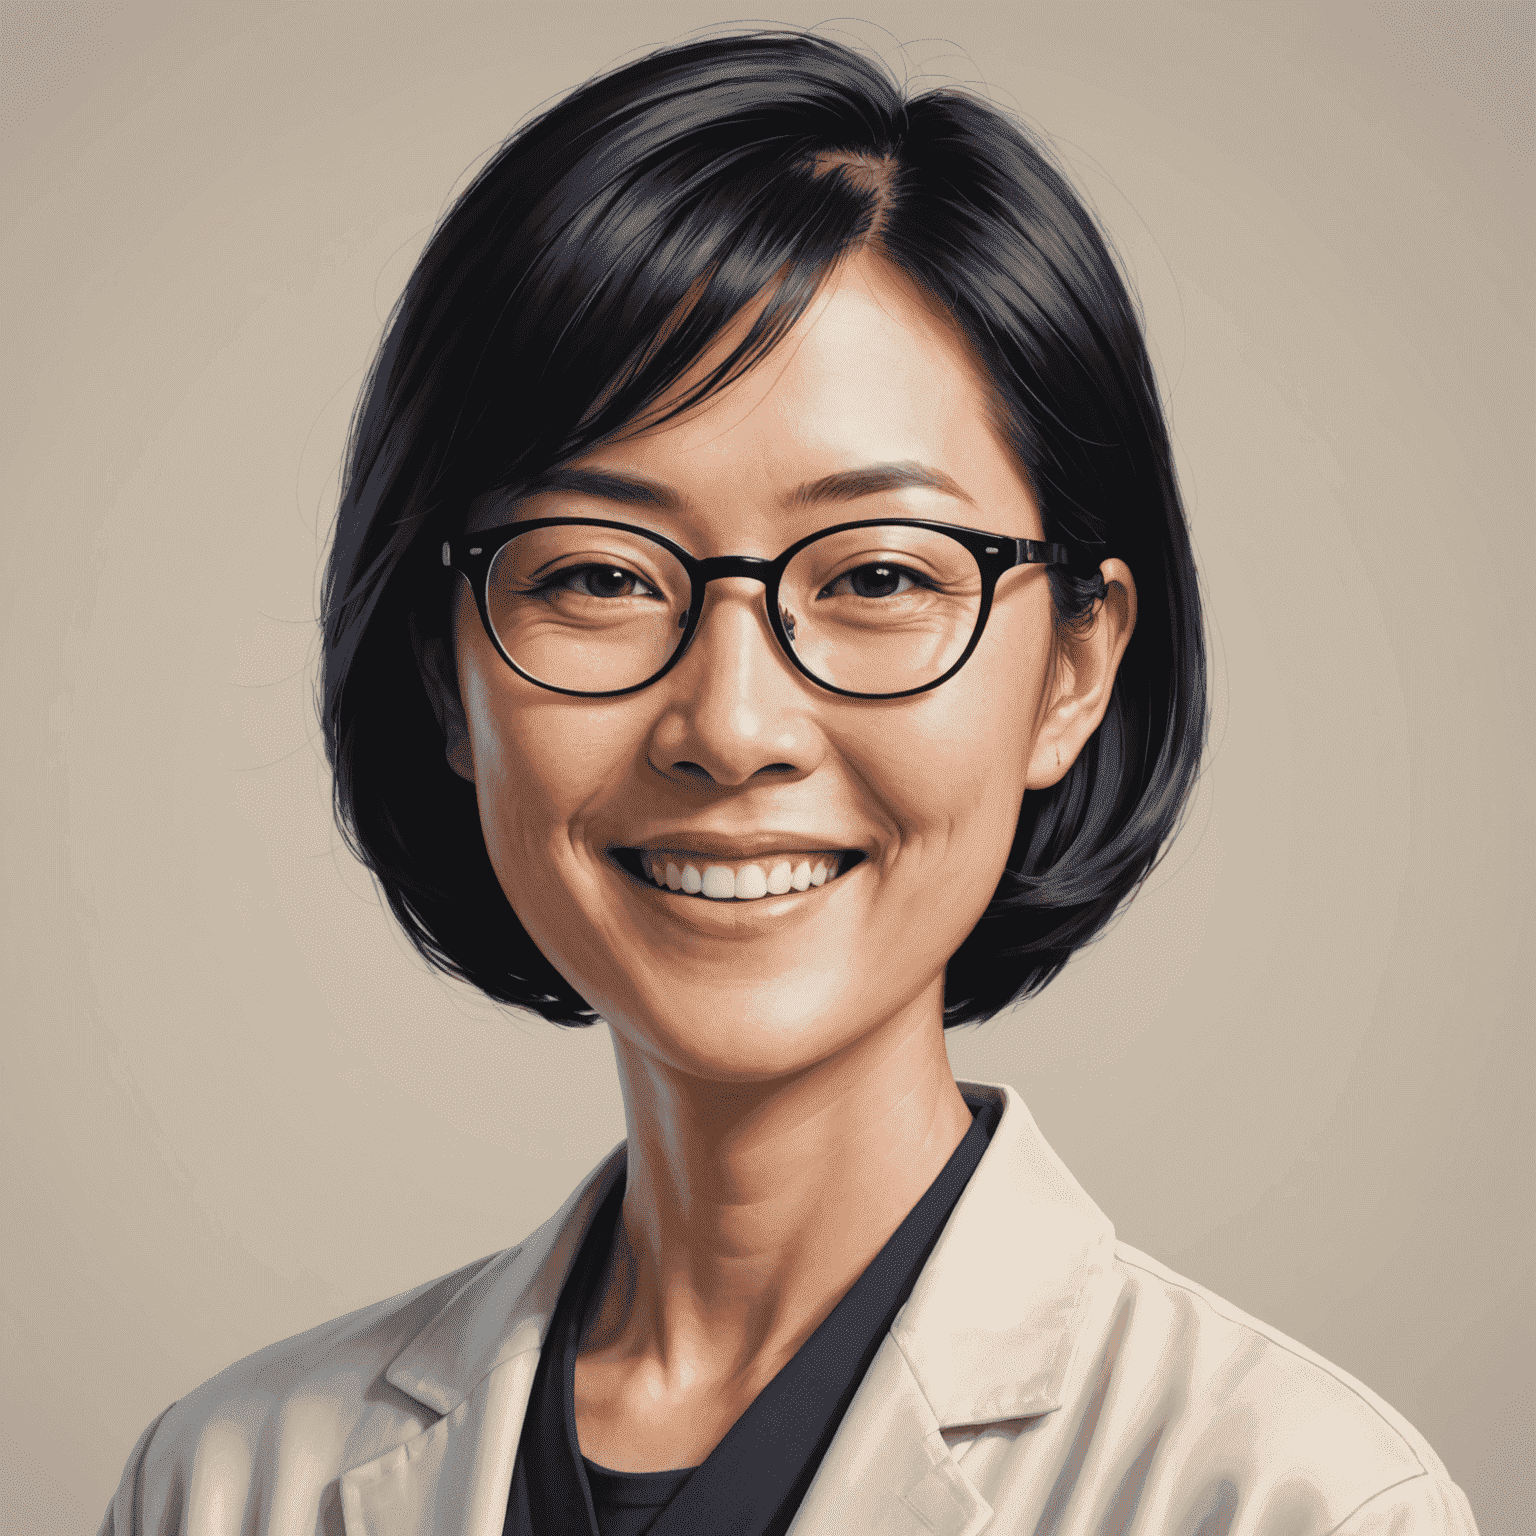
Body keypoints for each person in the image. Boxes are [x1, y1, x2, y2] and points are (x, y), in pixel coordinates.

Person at [99, 30, 1477, 1536]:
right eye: (600, 575)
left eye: (880, 572)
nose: (732, 721)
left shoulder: (1295, 1503)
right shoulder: (229, 1483)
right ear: (447, 674)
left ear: (1075, 670)